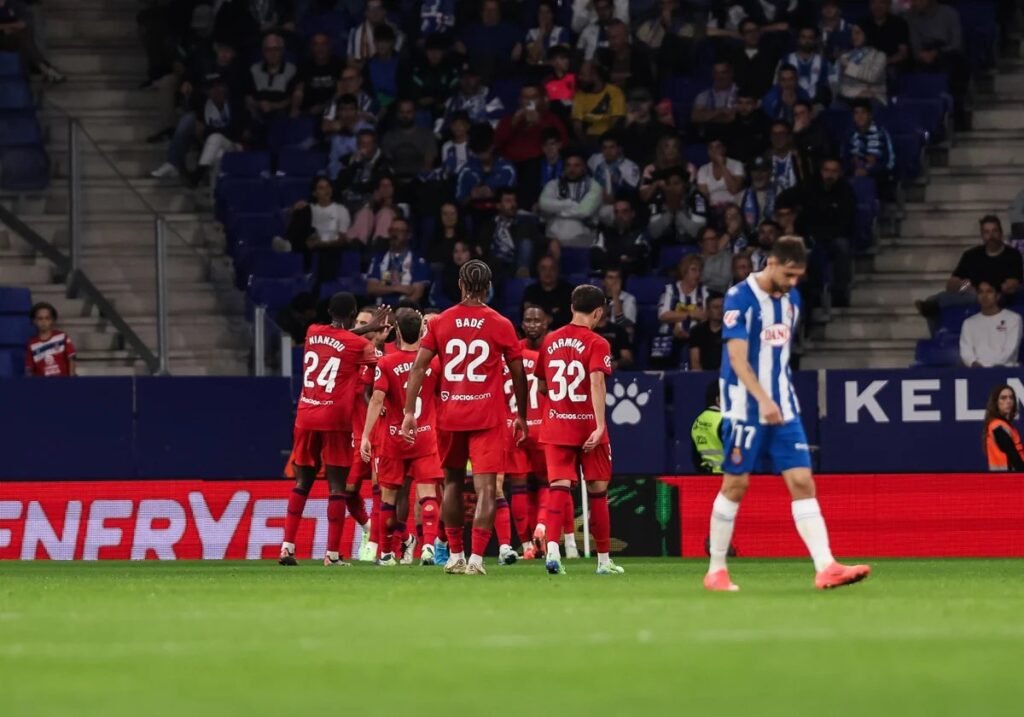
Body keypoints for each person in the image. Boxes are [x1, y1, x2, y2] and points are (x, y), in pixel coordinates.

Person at [705, 237, 870, 591]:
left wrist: (775, 399)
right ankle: (716, 570)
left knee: (801, 481)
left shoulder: (792, 300)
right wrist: (763, 399)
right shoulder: (740, 298)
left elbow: (776, 356)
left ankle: (826, 566)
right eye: (789, 274)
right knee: (736, 484)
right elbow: (737, 358)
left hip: (784, 406)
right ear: (772, 262)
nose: (793, 283)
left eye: (799, 276)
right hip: (745, 407)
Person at [402, 260, 529, 575]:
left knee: (453, 483)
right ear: (488, 287)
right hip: (487, 416)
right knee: (487, 487)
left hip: (451, 414)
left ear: (460, 283)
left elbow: (418, 367)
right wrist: (522, 416)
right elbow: (519, 374)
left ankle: (456, 555)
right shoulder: (500, 323)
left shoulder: (442, 322)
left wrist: (408, 411)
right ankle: (476, 561)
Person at [278, 293, 387, 566]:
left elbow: (339, 336)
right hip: (334, 419)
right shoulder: (359, 345)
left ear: (328, 311)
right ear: (352, 315)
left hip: (305, 416)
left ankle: (287, 547)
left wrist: (366, 328)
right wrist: (374, 333)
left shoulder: (312, 332)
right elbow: (381, 365)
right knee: (337, 487)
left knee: (302, 481)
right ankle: (332, 554)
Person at [535, 284, 622, 575]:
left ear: (572, 307)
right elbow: (597, 382)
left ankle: (552, 551)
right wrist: (599, 425)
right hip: (588, 426)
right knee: (597, 493)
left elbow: (543, 384)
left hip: (557, 424)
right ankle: (603, 561)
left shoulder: (549, 340)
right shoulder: (598, 343)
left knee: (557, 488)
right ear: (598, 312)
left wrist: (561, 405)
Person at [361, 309, 444, 565]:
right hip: (425, 436)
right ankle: (428, 546)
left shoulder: (386, 363)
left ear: (397, 332)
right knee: (428, 494)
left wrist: (365, 435)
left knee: (389, 498)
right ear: (422, 331)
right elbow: (442, 397)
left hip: (394, 438)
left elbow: (376, 400)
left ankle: (386, 553)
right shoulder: (435, 362)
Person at [275, 177, 352, 285]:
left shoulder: (341, 210)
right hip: (311, 241)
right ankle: (290, 243)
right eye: (321, 188)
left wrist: (322, 241)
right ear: (315, 193)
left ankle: (291, 246)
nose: (326, 190)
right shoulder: (308, 210)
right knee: (304, 213)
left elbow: (343, 237)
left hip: (332, 243)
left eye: (328, 187)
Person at [538, 149, 603, 250]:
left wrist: (556, 210)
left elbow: (584, 211)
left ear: (584, 168)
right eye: (568, 165)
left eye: (576, 165)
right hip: (553, 239)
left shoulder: (594, 186)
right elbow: (543, 204)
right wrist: (570, 203)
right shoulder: (553, 184)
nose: (571, 169)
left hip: (582, 239)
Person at [475, 189, 539, 282]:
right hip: (494, 264)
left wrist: (552, 241)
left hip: (515, 263)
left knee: (526, 243)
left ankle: (522, 277)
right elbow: (481, 246)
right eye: (508, 201)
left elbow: (536, 241)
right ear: (498, 205)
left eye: (514, 201)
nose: (513, 204)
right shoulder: (489, 224)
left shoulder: (523, 223)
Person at [366, 217, 430, 306]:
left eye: (400, 231)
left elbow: (417, 293)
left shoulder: (418, 261)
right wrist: (398, 288)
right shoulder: (378, 258)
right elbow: (371, 288)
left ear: (408, 235)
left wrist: (400, 311)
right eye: (392, 230)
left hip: (405, 310)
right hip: (380, 309)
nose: (395, 234)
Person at [959, 281, 1022, 368]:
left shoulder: (1014, 318)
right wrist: (974, 364)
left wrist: (992, 367)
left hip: (1006, 370)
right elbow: (966, 351)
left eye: (989, 292)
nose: (984, 296)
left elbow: (1011, 348)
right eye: (981, 292)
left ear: (998, 296)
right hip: (977, 372)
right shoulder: (969, 323)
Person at [0, 0, 63, 82]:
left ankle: (45, 69)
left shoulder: (15, 4)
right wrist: (10, 27)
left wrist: (5, 27)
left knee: (25, 35)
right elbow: (18, 25)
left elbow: (23, 24)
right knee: (24, 36)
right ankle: (47, 70)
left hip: (12, 38)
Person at [291, 33, 344, 119]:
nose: (320, 48)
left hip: (333, 111)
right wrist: (295, 111)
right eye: (316, 44)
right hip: (308, 113)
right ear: (311, 48)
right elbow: (298, 91)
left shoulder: (339, 65)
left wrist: (324, 107)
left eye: (324, 44)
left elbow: (341, 92)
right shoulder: (304, 66)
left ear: (329, 46)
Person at [777, 27, 832, 108]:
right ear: (798, 39)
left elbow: (829, 88)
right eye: (803, 37)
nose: (806, 41)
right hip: (790, 104)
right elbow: (776, 84)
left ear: (815, 40)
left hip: (815, 104)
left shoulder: (823, 62)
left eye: (810, 38)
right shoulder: (786, 60)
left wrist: (820, 106)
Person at [836, 23, 888, 105]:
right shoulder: (845, 57)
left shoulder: (879, 56)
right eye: (852, 33)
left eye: (857, 33)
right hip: (850, 98)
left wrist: (849, 67)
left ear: (867, 34)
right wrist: (858, 94)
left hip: (874, 98)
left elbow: (872, 77)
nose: (853, 36)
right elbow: (840, 85)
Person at [571, 61, 626, 140]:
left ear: (595, 75)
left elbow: (616, 123)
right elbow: (577, 126)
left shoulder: (615, 92)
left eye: (582, 75)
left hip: (610, 138)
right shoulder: (579, 95)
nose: (579, 78)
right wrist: (584, 143)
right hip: (589, 139)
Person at [845, 101, 894, 184]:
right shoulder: (849, 134)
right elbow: (845, 159)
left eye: (863, 113)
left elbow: (889, 163)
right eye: (856, 113)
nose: (859, 117)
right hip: (854, 173)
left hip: (877, 176)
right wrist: (853, 165)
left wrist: (869, 171)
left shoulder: (882, 133)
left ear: (870, 115)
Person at [523, 255, 574, 328]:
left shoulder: (568, 291)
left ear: (557, 270)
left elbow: (570, 318)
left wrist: (551, 319)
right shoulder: (530, 291)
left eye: (552, 268)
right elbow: (525, 316)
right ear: (538, 270)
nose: (547, 272)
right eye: (543, 268)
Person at [25, 302, 75, 377]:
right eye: (40, 318)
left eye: (47, 318)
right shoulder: (31, 344)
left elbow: (71, 359)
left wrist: (72, 379)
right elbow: (29, 369)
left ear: (52, 320)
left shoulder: (62, 337)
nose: (43, 322)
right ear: (34, 321)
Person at [983, 385, 1024, 471]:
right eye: (1003, 398)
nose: (1008, 401)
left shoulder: (1007, 427)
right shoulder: (997, 427)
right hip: (1007, 479)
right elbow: (1012, 455)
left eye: (1011, 398)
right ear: (996, 402)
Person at [696, 140, 745, 211]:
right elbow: (703, 196)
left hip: (733, 207)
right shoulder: (703, 169)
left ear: (724, 149)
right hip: (712, 209)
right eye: (711, 148)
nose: (714, 151)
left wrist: (722, 165)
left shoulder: (737, 165)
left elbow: (734, 189)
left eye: (717, 147)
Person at [691, 380, 724, 474]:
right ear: (718, 400)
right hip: (727, 479)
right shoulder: (724, 421)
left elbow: (695, 458)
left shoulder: (697, 421)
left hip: (705, 478)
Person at [689, 291, 725, 371]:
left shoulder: (733, 331)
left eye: (722, 307)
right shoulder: (696, 331)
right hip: (703, 377)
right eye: (716, 307)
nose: (720, 310)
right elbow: (695, 363)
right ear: (708, 310)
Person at [594, 298, 634, 369]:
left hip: (614, 372)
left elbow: (627, 358)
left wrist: (616, 364)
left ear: (608, 308)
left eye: (601, 306)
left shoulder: (618, 330)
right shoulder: (583, 331)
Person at [699, 227, 733, 294]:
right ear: (701, 243)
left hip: (723, 295)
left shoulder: (727, 257)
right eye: (709, 239)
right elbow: (700, 278)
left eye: (715, 238)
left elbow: (725, 279)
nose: (714, 242)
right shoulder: (696, 260)